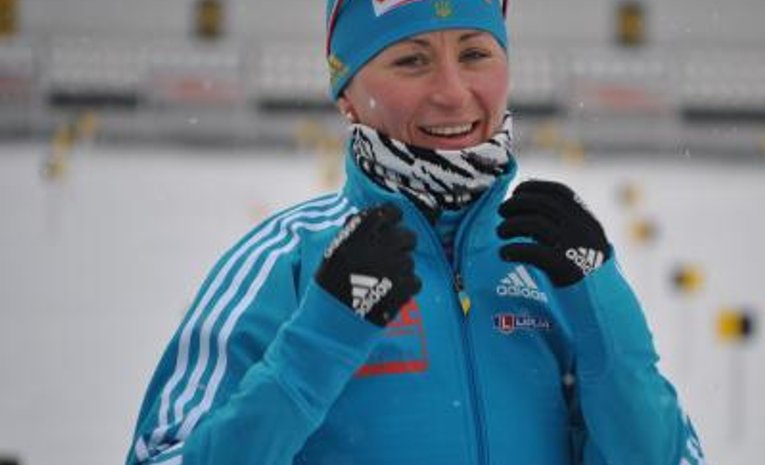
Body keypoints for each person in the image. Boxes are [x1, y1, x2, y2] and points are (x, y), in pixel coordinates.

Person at [126, 1, 706, 464]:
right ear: (347, 95)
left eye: (475, 53)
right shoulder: (288, 261)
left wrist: (609, 325)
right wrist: (316, 348)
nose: (452, 92)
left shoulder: (555, 261)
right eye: (411, 60)